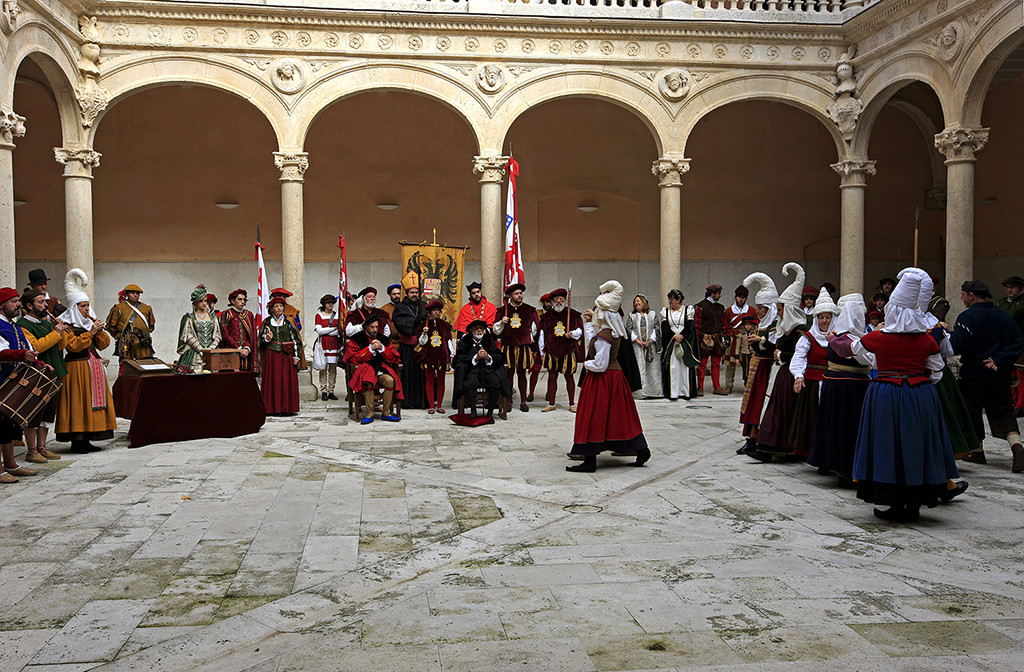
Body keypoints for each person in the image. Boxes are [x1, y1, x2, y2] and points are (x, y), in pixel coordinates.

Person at [851, 268, 959, 522]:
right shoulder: (925, 340)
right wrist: (919, 381)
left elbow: (857, 351)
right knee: (916, 446)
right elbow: (937, 369)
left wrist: (884, 367)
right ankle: (914, 503)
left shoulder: (878, 337)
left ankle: (894, 501)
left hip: (886, 395)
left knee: (888, 447)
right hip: (920, 396)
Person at [566, 280, 650, 473]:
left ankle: (589, 460)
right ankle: (641, 450)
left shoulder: (605, 335)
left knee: (593, 417)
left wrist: (586, 364)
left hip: (602, 380)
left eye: (597, 311)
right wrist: (588, 325)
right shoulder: (612, 332)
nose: (595, 313)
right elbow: (593, 344)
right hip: (614, 379)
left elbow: (599, 363)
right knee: (620, 417)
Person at [950, 279, 1024, 471]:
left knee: (970, 411)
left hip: (974, 374)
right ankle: (1017, 447)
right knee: (1003, 411)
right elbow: (1018, 341)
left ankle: (977, 451)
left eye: (963, 294)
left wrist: (944, 334)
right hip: (999, 374)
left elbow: (958, 345)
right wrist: (999, 360)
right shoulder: (1004, 316)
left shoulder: (967, 318)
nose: (962, 297)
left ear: (971, 296)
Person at [746, 262, 807, 461]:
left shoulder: (799, 332)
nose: (778, 313)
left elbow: (800, 356)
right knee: (773, 410)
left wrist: (778, 354)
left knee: (781, 412)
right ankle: (766, 446)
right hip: (780, 374)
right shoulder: (784, 328)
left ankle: (779, 448)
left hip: (789, 376)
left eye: (781, 310)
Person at [807, 293, 869, 485]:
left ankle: (834, 463)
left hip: (837, 385)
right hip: (849, 388)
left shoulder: (840, 336)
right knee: (845, 425)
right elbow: (867, 358)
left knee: (836, 423)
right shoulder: (846, 339)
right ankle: (843, 466)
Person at [55, 269, 117, 454]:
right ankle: (77, 440)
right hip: (76, 368)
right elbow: (73, 346)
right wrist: (91, 332)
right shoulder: (67, 325)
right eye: (83, 306)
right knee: (78, 403)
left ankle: (90, 436)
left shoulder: (89, 322)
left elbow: (104, 344)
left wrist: (98, 330)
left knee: (92, 402)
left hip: (93, 365)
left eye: (88, 306)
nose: (86, 309)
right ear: (75, 308)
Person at [18, 289, 71, 464]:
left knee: (48, 414)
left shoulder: (46, 322)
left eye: (44, 302)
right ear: (29, 305)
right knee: (34, 413)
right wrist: (55, 332)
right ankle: (31, 450)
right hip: (37, 374)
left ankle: (42, 447)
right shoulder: (23, 324)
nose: (45, 305)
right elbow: (36, 347)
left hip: (54, 372)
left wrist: (62, 330)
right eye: (40, 302)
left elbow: (61, 344)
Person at [789, 287, 840, 459]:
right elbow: (799, 358)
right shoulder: (807, 337)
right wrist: (798, 375)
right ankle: (810, 452)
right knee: (811, 419)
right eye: (821, 317)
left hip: (832, 384)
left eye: (828, 317)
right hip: (811, 385)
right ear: (816, 318)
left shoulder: (839, 338)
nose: (824, 321)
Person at [0, 290, 39, 482]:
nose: (18, 304)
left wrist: (40, 363)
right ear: (1, 305)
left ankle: (10, 464)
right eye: (13, 301)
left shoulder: (14, 326)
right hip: (1, 381)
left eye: (18, 301)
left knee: (8, 426)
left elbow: (27, 349)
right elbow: (2, 352)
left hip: (13, 382)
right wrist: (21, 356)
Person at [738, 272, 779, 452]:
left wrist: (760, 341)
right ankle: (751, 437)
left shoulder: (776, 325)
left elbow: (775, 349)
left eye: (762, 308)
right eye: (758, 308)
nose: (759, 311)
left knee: (761, 403)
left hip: (767, 369)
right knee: (753, 402)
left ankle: (758, 438)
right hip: (757, 366)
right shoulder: (762, 325)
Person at [345, 313, 402, 424]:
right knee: (369, 382)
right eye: (372, 327)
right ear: (366, 326)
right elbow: (355, 358)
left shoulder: (383, 339)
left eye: (377, 327)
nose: (375, 329)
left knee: (390, 381)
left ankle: (386, 413)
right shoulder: (357, 338)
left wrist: (382, 348)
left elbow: (392, 357)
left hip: (380, 370)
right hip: (364, 370)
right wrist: (370, 349)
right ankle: (370, 413)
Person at [494, 283, 540, 412]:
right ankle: (508, 401)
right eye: (516, 294)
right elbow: (496, 331)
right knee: (508, 373)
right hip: (508, 346)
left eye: (520, 293)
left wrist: (531, 341)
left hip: (523, 346)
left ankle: (523, 401)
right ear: (510, 296)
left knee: (522, 373)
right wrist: (501, 322)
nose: (520, 295)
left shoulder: (530, 310)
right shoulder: (502, 310)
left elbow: (536, 329)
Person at [453, 319, 509, 421]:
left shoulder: (489, 340)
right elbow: (459, 359)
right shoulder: (464, 342)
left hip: (487, 370)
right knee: (471, 381)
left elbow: (498, 356)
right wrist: (475, 357)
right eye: (476, 328)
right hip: (471, 370)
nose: (479, 331)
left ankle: (490, 413)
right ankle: (473, 412)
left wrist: (488, 357)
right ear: (470, 330)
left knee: (495, 381)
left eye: (481, 328)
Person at [538, 289, 583, 412]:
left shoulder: (572, 314)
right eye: (556, 300)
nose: (558, 302)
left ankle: (572, 404)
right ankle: (551, 403)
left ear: (565, 301)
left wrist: (572, 333)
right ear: (552, 302)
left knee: (569, 377)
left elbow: (580, 331)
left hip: (567, 350)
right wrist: (542, 352)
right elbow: (541, 334)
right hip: (551, 351)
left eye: (561, 299)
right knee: (552, 377)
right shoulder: (546, 317)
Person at [260, 296, 302, 415]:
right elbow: (261, 342)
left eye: (281, 306)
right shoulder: (267, 322)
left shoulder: (288, 322)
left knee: (286, 381)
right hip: (272, 356)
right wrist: (267, 338)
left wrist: (296, 356)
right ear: (271, 309)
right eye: (276, 306)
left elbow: (296, 340)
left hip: (287, 356)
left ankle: (287, 408)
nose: (279, 308)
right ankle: (273, 408)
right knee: (274, 381)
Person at [392, 276, 426, 409]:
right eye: (412, 292)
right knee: (408, 375)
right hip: (407, 347)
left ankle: (423, 401)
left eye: (416, 292)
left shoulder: (424, 306)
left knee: (421, 374)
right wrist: (415, 321)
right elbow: (399, 323)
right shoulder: (401, 307)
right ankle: (408, 401)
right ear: (406, 294)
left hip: (423, 347)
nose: (414, 295)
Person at [106, 283, 157, 371]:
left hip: (143, 343)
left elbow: (151, 326)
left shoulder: (146, 308)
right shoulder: (118, 308)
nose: (135, 295)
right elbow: (111, 326)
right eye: (132, 293)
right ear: (126, 294)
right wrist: (121, 336)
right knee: (127, 368)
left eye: (137, 293)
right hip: (127, 343)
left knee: (144, 367)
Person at [417, 299, 453, 414]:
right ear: (430, 312)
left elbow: (449, 341)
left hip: (442, 356)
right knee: (430, 380)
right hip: (429, 356)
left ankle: (440, 405)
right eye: (434, 310)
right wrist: (424, 333)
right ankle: (432, 406)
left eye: (438, 310)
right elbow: (421, 343)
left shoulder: (444, 325)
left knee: (441, 380)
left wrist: (451, 354)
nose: (436, 312)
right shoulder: (424, 325)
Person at [660, 289, 697, 400]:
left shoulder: (687, 310)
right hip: (671, 343)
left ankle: (685, 392)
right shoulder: (665, 312)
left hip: (684, 342)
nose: (669, 301)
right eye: (669, 299)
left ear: (678, 300)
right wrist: (674, 336)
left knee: (684, 367)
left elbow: (690, 326)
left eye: (672, 299)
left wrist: (681, 336)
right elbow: (665, 327)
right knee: (673, 367)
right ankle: (673, 392)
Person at [175, 285, 221, 374]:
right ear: (195, 303)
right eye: (201, 301)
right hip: (194, 353)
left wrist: (210, 349)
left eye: (205, 301)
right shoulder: (189, 318)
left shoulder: (213, 317)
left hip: (211, 353)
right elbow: (188, 335)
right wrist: (200, 350)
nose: (204, 303)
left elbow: (217, 335)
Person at [995, 275, 1024, 416]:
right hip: (1004, 343)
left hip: (1019, 342)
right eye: (1008, 287)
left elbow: (1012, 316)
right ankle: (1011, 402)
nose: (1010, 290)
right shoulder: (1001, 302)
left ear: (1020, 288)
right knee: (1008, 373)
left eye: (1013, 287)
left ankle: (1020, 405)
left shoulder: (1022, 302)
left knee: (1020, 373)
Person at [694, 284, 729, 396]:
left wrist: (727, 335)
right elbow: (697, 324)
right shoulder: (700, 306)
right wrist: (697, 338)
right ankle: (700, 388)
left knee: (716, 363)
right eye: (718, 293)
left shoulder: (720, 307)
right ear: (713, 294)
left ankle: (717, 387)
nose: (720, 295)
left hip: (717, 339)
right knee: (702, 364)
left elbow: (724, 323)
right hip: (704, 339)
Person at [724, 285, 758, 394]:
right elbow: (725, 325)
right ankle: (729, 385)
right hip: (733, 340)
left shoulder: (752, 311)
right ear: (735, 297)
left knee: (748, 364)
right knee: (730, 364)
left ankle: (748, 384)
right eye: (739, 297)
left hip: (747, 341)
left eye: (743, 297)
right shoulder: (729, 311)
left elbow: (757, 324)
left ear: (746, 298)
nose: (741, 299)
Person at [626, 294, 662, 398]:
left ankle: (653, 392)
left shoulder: (652, 314)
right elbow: (629, 329)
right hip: (637, 347)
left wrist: (650, 340)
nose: (636, 303)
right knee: (638, 367)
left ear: (644, 302)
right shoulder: (632, 316)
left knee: (652, 368)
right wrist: (638, 340)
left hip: (651, 346)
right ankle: (639, 392)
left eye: (638, 301)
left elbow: (656, 328)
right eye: (635, 302)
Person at [220, 289, 258, 372]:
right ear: (232, 301)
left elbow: (252, 336)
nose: (243, 302)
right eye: (240, 299)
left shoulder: (249, 315)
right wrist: (238, 348)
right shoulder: (226, 314)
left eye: (244, 299)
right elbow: (225, 334)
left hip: (247, 353)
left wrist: (247, 348)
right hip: (231, 352)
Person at [314, 294, 341, 400]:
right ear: (324, 304)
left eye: (332, 303)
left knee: (333, 368)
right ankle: (324, 390)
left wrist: (327, 330)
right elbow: (319, 330)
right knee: (323, 368)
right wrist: (333, 329)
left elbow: (339, 331)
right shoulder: (319, 315)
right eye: (328, 303)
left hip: (334, 344)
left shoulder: (338, 315)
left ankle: (331, 391)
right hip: (323, 345)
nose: (330, 304)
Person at [528, 293, 552, 402]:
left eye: (550, 302)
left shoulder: (556, 314)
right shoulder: (537, 314)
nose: (548, 304)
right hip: (538, 346)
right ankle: (531, 392)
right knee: (536, 370)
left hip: (552, 346)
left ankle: (549, 393)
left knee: (552, 371)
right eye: (546, 302)